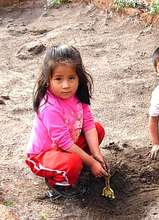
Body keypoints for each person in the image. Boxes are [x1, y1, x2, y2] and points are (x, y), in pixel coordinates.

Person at [25, 44, 108, 199]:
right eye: (58, 79)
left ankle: (77, 163)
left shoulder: (78, 95)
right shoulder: (49, 106)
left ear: (79, 77)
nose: (66, 85)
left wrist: (97, 155)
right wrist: (90, 162)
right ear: (48, 80)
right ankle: (59, 185)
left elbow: (88, 124)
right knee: (72, 163)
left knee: (97, 129)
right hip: (43, 155)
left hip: (68, 145)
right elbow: (63, 142)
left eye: (71, 78)